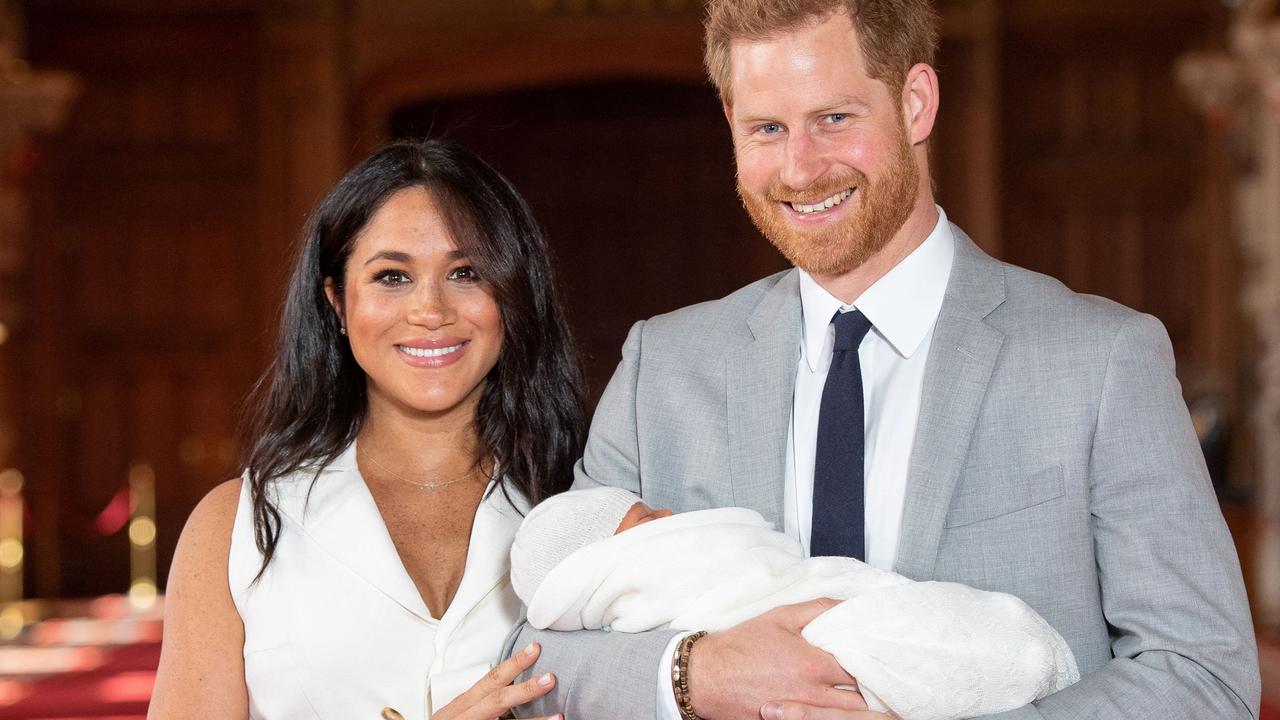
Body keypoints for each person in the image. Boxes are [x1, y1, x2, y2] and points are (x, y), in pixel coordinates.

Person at [512, 1, 1262, 719]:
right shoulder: (663, 368)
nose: (799, 169)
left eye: (833, 119)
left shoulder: (1102, 361)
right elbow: (535, 658)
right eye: (766, 128)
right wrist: (696, 676)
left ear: (915, 103)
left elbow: (1202, 674)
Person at [149, 139, 584, 720]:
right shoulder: (234, 529)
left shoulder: (585, 501)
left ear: (513, 294)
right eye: (392, 277)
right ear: (336, 301)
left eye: (466, 272)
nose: (431, 310)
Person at [509, 486, 1079, 720]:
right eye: (648, 521)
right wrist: (694, 671)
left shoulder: (1110, 349)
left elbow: (1168, 653)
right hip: (829, 631)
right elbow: (536, 659)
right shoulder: (652, 360)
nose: (668, 518)